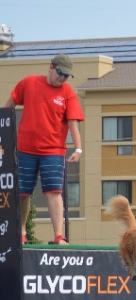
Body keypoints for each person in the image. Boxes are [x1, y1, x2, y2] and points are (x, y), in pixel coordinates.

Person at [5, 54, 84, 245]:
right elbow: (8, 106)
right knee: (22, 192)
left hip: (53, 151)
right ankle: (21, 232)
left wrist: (78, 149)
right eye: (60, 73)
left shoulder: (68, 93)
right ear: (51, 67)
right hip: (25, 149)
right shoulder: (29, 82)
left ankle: (59, 235)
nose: (62, 78)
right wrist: (3, 134)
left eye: (66, 76)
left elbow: (73, 123)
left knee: (54, 192)